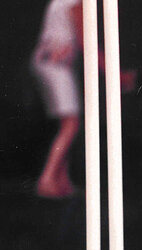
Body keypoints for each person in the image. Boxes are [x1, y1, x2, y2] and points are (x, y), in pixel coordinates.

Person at [31, 0, 84, 199]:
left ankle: (61, 181)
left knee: (67, 124)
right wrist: (118, 75)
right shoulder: (75, 3)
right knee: (71, 124)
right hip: (55, 63)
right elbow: (84, 42)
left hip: (50, 61)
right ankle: (47, 179)